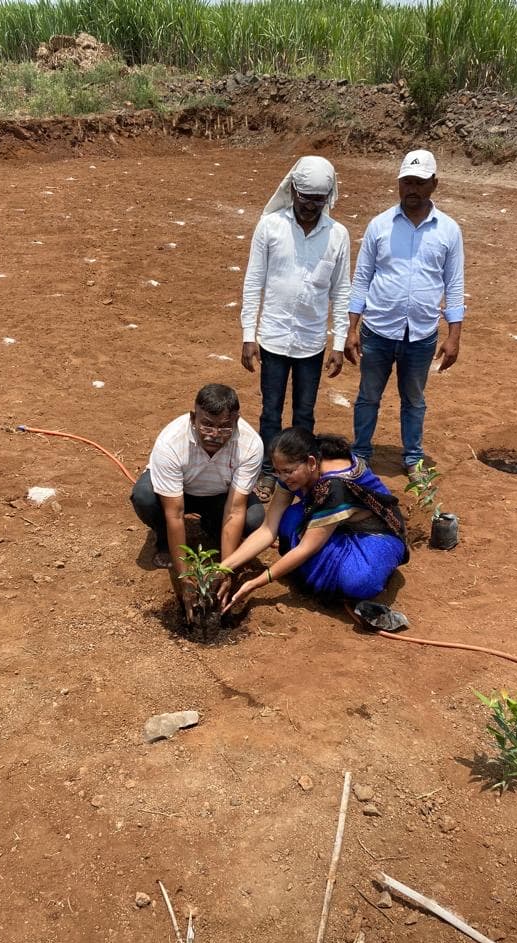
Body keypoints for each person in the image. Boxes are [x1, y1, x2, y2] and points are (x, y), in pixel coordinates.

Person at [347, 149, 465, 480]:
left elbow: (454, 286)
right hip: (378, 330)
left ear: (434, 185)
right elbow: (361, 279)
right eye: (406, 182)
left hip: (422, 334)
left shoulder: (448, 231)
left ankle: (412, 458)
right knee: (368, 396)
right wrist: (351, 329)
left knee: (414, 399)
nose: (411, 189)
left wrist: (454, 337)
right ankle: (360, 455)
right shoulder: (379, 226)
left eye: (419, 183)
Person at [240, 155, 352, 503]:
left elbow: (341, 290)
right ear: (293, 190)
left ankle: (302, 475)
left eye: (318, 200)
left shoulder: (337, 235)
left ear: (328, 197)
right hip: (273, 337)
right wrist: (248, 334)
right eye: (305, 198)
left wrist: (339, 341)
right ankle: (271, 472)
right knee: (270, 410)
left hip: (312, 342)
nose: (310, 206)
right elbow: (253, 280)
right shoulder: (270, 226)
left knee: (304, 413)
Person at [220, 428, 407, 611]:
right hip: (338, 524)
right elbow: (268, 529)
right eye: (278, 472)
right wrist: (224, 567)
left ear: (310, 462)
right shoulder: (301, 466)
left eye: (288, 471)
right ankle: (313, 569)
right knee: (289, 520)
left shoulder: (335, 486)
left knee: (358, 582)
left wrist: (255, 583)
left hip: (376, 536)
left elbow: (306, 548)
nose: (283, 478)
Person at [130, 384, 264, 614]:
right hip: (178, 492)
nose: (214, 434)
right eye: (207, 424)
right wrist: (185, 580)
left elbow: (235, 510)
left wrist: (227, 569)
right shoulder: (172, 441)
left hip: (220, 495)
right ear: (193, 418)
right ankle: (163, 539)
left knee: (254, 518)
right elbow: (175, 513)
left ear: (236, 421)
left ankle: (214, 530)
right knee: (144, 497)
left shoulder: (250, 444)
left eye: (224, 427)